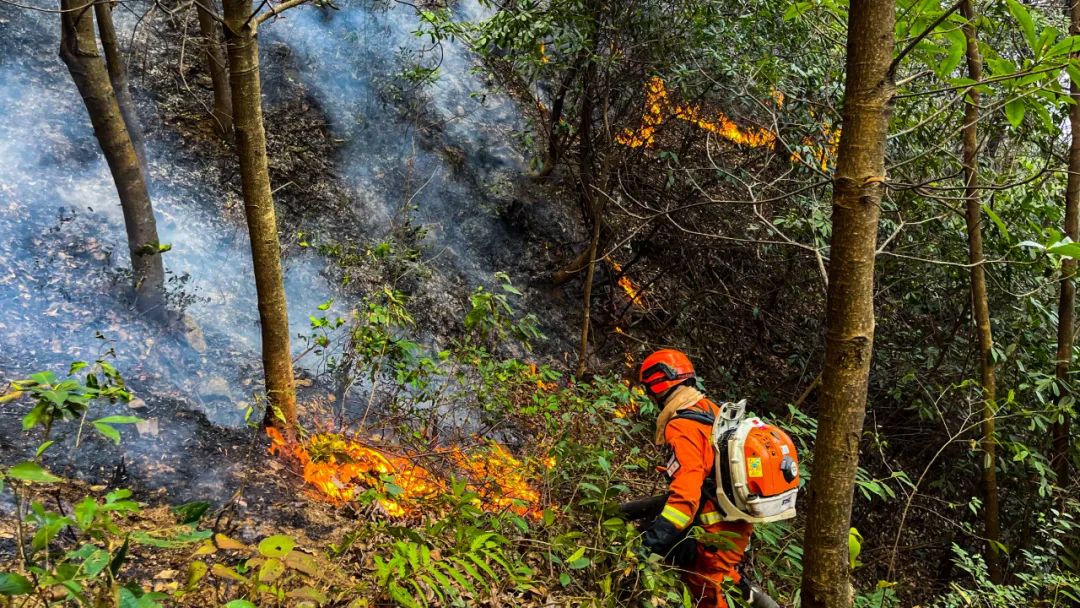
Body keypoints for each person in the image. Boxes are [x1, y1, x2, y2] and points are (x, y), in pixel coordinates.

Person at [639, 348, 753, 608]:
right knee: (723, 581)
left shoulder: (682, 426)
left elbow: (686, 497)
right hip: (735, 524)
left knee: (707, 592)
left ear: (657, 386)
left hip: (713, 534)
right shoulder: (709, 410)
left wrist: (651, 545)